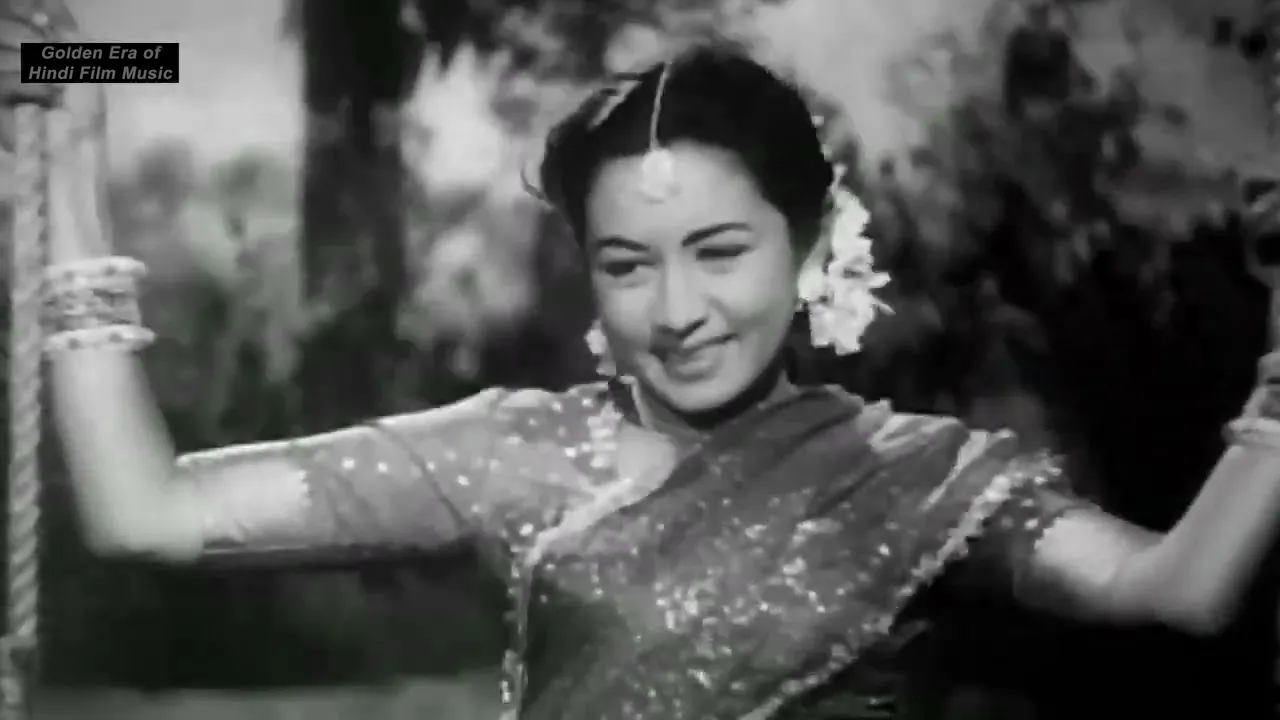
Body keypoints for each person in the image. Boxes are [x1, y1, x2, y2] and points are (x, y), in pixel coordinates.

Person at [8, 24, 1280, 717]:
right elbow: (141, 512)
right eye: (627, 265)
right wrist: (72, 136)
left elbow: (1175, 591)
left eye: (719, 252)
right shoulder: (519, 451)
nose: (675, 312)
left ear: (810, 246)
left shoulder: (921, 479)